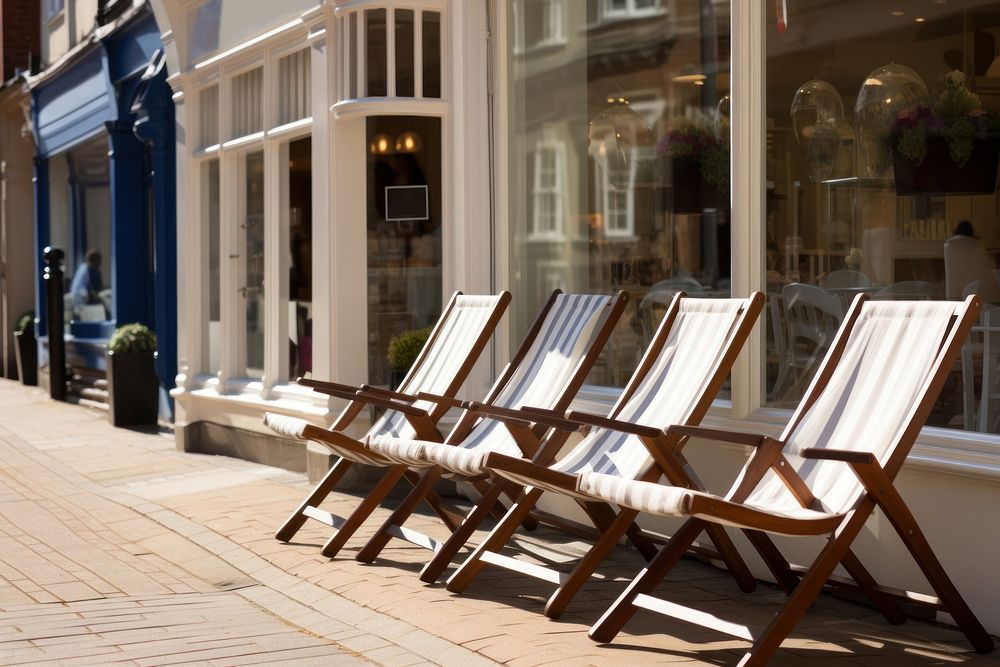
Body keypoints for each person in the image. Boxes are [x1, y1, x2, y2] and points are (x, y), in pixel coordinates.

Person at [944, 220, 996, 299]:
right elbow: (991, 267)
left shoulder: (949, 247)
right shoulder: (978, 250)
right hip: (974, 295)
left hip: (953, 296)